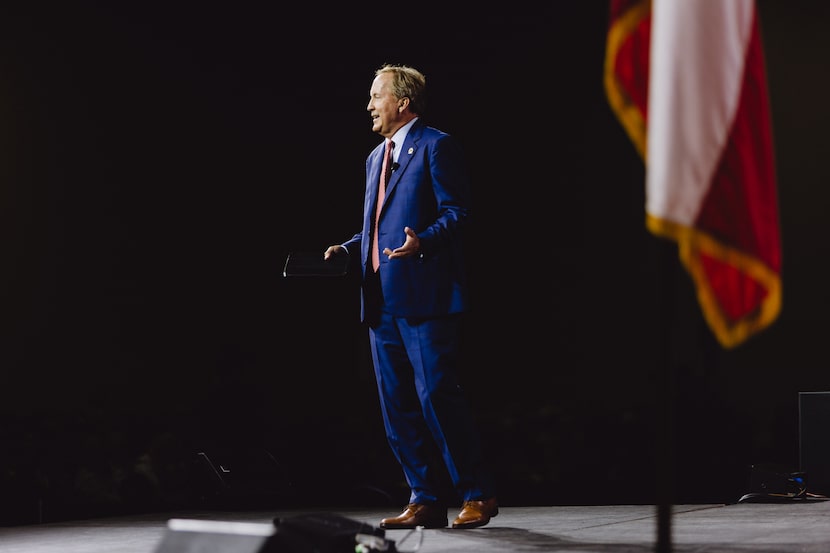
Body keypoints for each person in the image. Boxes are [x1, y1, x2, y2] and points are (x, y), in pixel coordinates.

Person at [324, 63, 498, 529]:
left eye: (376, 96)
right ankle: (423, 498)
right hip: (380, 301)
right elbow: (376, 225)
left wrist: (424, 240)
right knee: (396, 404)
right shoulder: (373, 159)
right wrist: (349, 246)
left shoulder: (437, 146)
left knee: (436, 395)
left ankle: (477, 493)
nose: (369, 105)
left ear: (403, 102)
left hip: (425, 297)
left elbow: (457, 213)